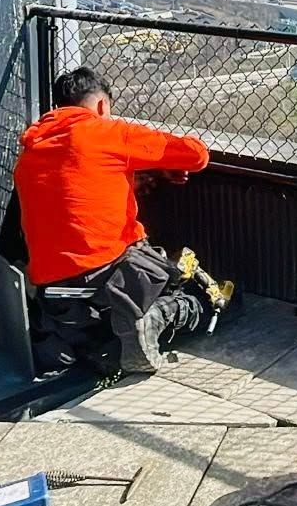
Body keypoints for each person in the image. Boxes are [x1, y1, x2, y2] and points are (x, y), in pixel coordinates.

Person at [13, 65, 226, 374]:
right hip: (110, 275)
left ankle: (113, 332)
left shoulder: (32, 150)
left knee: (101, 345)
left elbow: (78, 185)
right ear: (102, 105)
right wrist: (155, 160)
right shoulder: (109, 132)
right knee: (196, 292)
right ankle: (155, 317)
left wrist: (136, 171)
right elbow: (196, 155)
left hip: (53, 289)